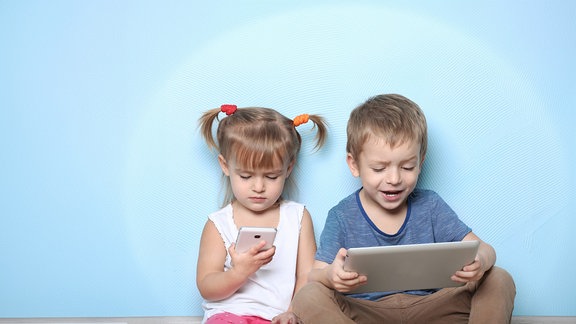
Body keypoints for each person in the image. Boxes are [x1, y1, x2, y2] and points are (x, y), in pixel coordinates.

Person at [291, 94, 516, 323]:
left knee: (498, 277)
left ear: (421, 162)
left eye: (408, 167)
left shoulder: (431, 205)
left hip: (432, 308)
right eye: (379, 168)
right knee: (307, 297)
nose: (394, 178)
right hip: (366, 311)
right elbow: (314, 276)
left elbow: (486, 249)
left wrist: (481, 261)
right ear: (354, 164)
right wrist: (331, 276)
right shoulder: (341, 215)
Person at [196, 104, 328, 324]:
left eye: (272, 176)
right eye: (246, 176)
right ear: (225, 166)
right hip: (229, 315)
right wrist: (239, 272)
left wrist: (293, 311)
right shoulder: (218, 223)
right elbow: (207, 287)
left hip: (280, 317)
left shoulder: (297, 217)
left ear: (288, 168)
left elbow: (307, 276)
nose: (258, 187)